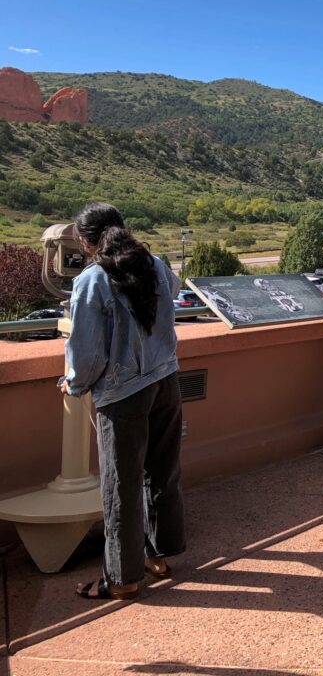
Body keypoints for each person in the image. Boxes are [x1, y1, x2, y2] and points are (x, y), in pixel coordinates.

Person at [62, 203, 184, 600]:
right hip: (166, 380)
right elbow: (173, 297)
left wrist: (73, 384)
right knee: (161, 473)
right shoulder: (156, 265)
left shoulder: (93, 280)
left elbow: (87, 353)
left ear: (85, 241)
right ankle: (157, 557)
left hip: (124, 393)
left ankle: (123, 577)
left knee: (121, 485)